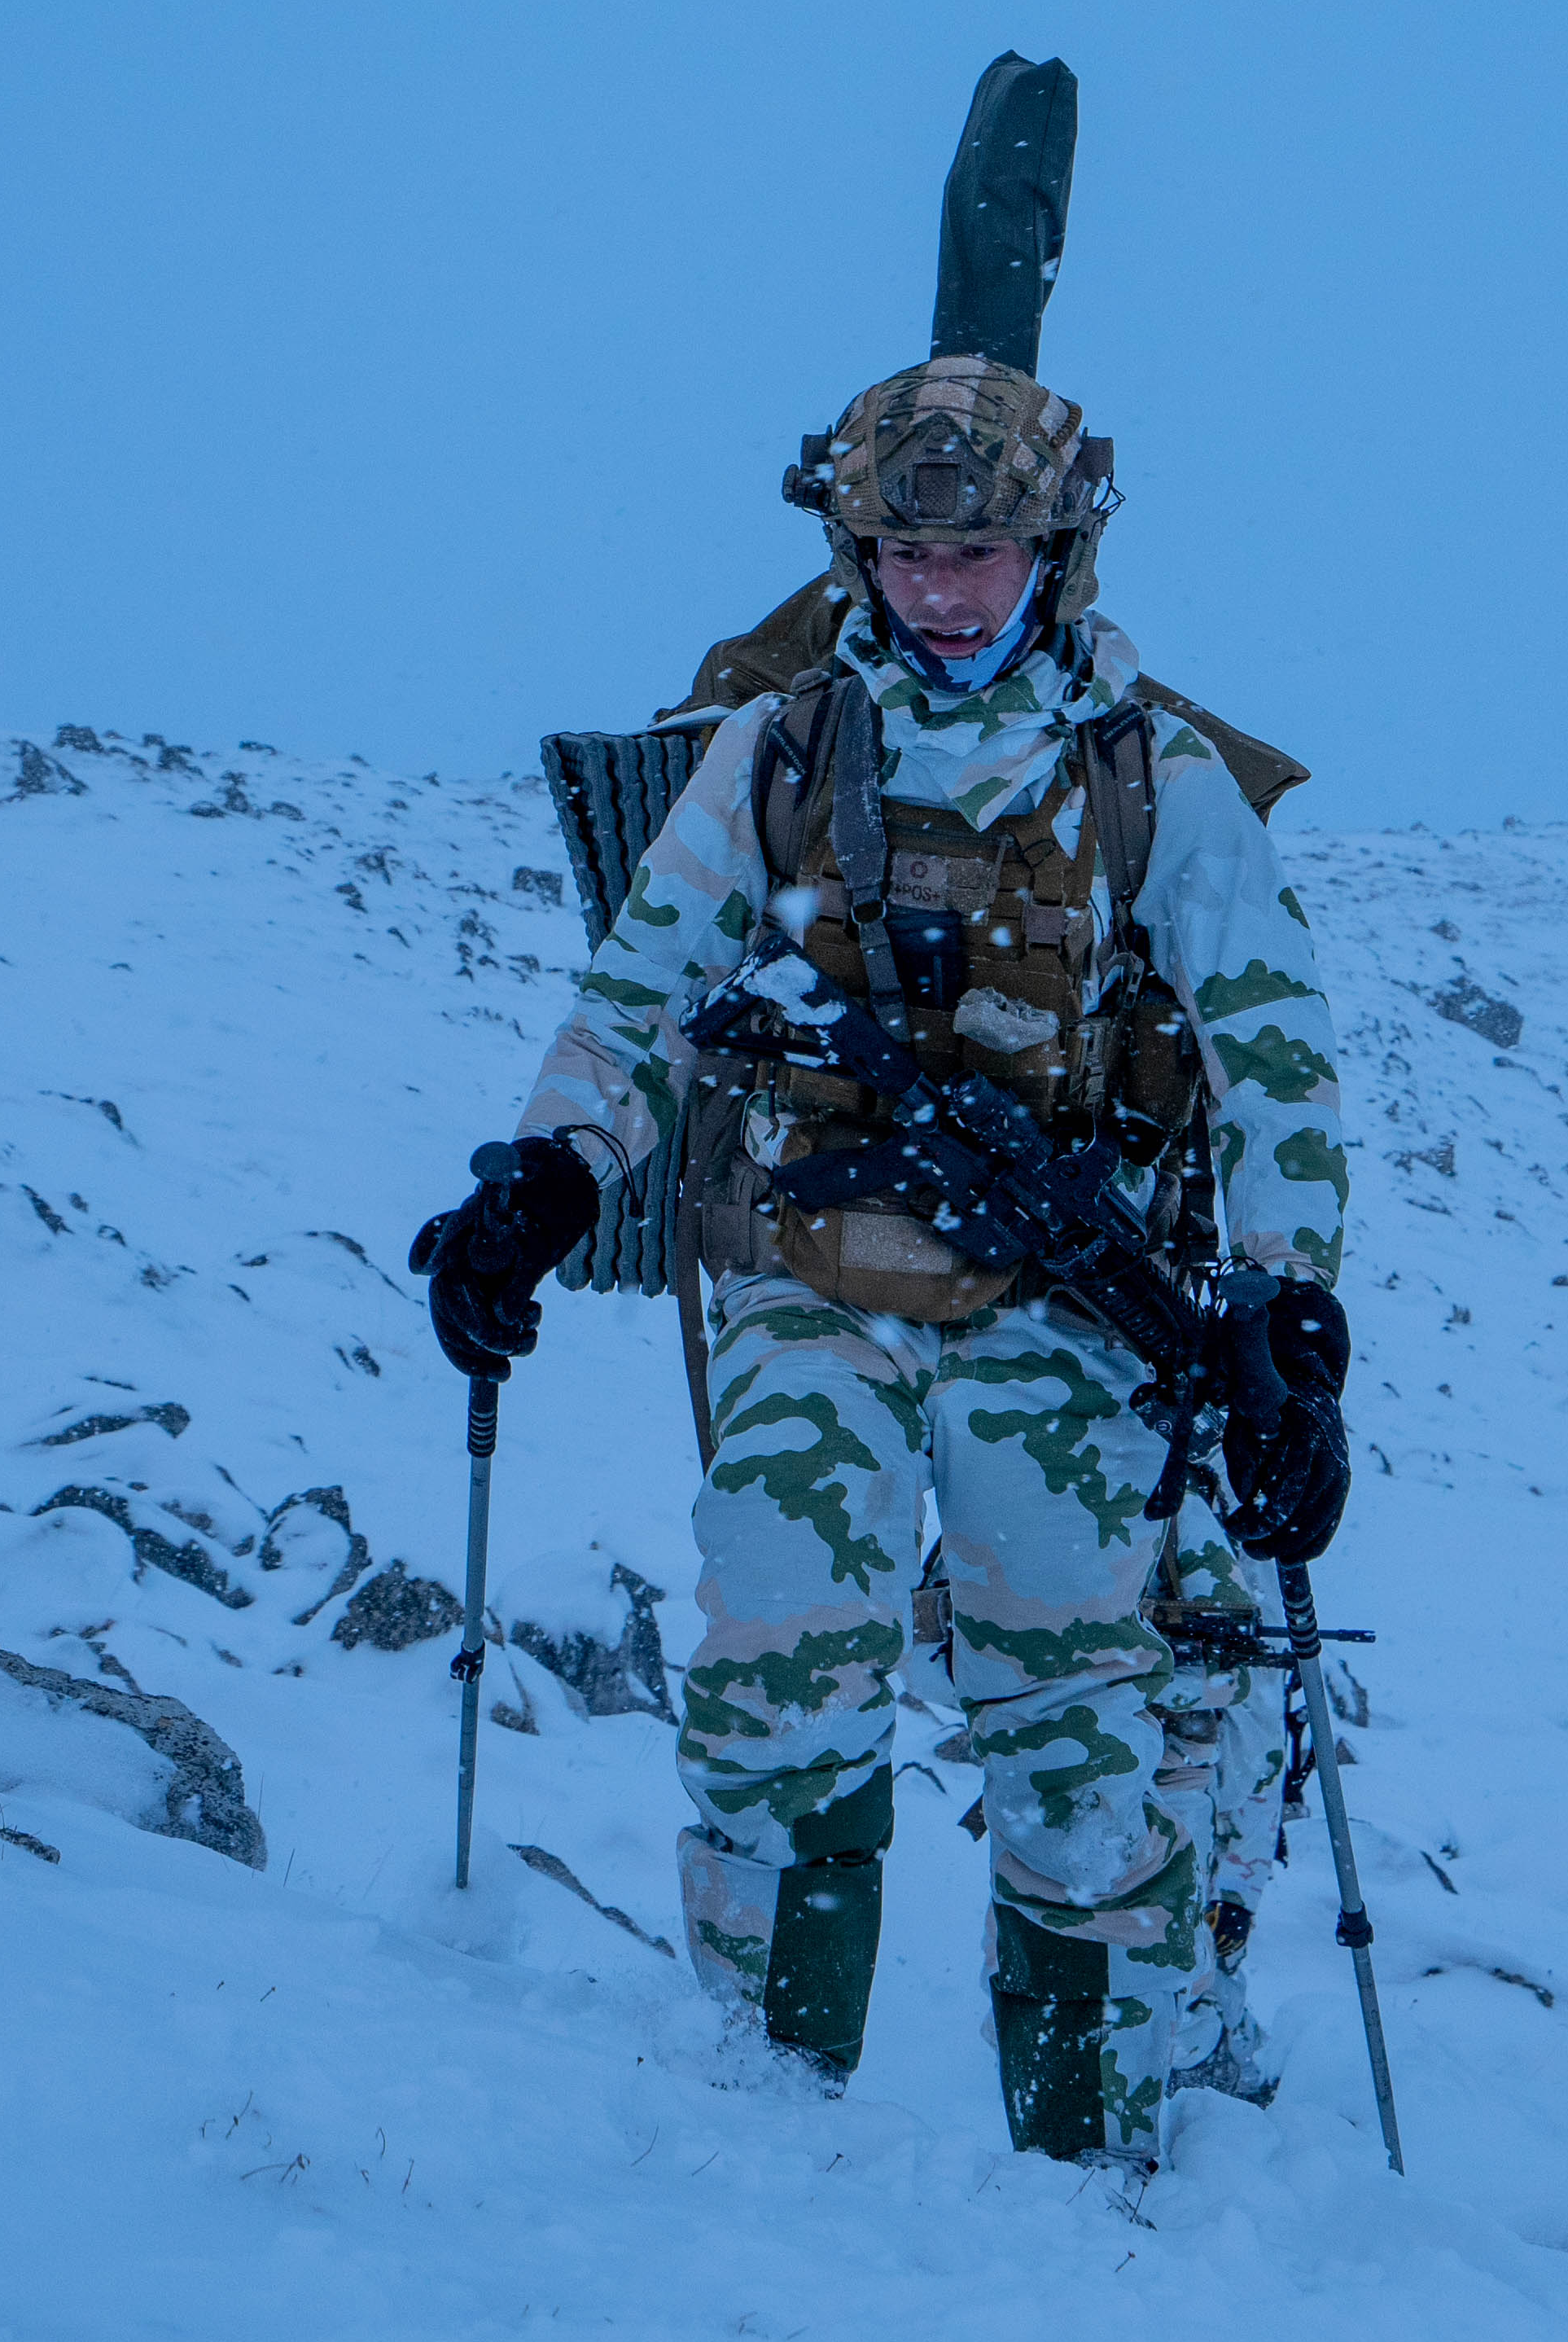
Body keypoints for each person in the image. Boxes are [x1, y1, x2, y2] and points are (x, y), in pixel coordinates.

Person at [412, 353, 1351, 2166]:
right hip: (814, 1287)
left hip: (1061, 1322)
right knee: (777, 1669)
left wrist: (1288, 1318)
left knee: (1079, 1741)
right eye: (904, 553)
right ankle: (763, 2124)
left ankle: (1100, 2167)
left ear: (1056, 546)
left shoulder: (1152, 779)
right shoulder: (780, 748)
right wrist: (539, 1180)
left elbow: (1276, 1058)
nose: (940, 590)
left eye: (982, 550)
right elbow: (642, 992)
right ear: (854, 546)